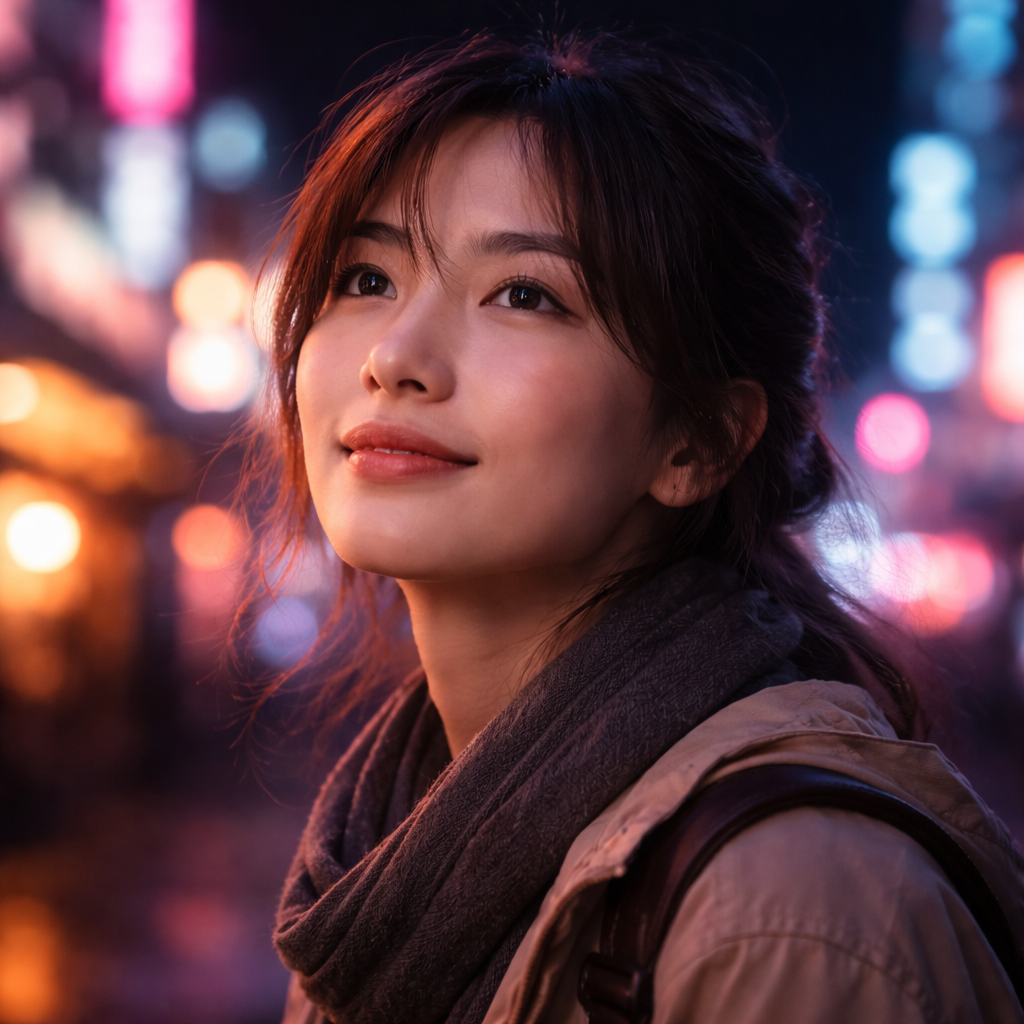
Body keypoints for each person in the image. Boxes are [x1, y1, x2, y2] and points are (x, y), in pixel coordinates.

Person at [254, 29, 1024, 1024]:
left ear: (697, 441)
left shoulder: (790, 908)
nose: (395, 355)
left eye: (524, 294)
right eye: (366, 278)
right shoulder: (374, 846)